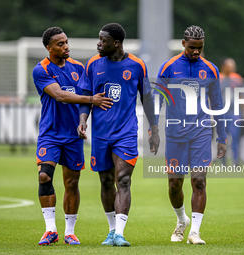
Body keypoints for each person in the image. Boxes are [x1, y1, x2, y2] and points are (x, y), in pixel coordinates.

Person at [77, 23, 160, 247]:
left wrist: (154, 129)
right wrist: (83, 120)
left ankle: (120, 233)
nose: (98, 44)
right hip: (101, 135)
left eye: (102, 40)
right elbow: (86, 95)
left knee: (123, 180)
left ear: (116, 43)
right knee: (106, 181)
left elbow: (148, 98)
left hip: (126, 133)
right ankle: (111, 231)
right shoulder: (93, 64)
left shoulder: (136, 65)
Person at [32, 26, 113, 246]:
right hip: (50, 133)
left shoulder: (79, 67)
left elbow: (87, 95)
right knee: (44, 176)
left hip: (74, 135)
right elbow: (59, 95)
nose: (66, 46)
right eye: (60, 44)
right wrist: (91, 101)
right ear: (49, 48)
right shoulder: (41, 70)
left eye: (66, 42)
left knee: (72, 182)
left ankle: (69, 231)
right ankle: (50, 230)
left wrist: (82, 122)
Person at [154, 25, 227, 245]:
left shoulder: (211, 69)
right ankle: (181, 221)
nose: (196, 52)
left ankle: (195, 232)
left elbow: (217, 104)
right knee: (175, 184)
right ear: (183, 43)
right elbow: (156, 100)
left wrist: (221, 138)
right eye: (193, 48)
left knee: (199, 182)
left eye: (200, 48)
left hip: (201, 133)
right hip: (175, 133)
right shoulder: (168, 67)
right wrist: (153, 130)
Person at [219, 58, 243, 165]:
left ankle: (235, 160)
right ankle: (223, 161)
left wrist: (243, 110)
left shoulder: (237, 78)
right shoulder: (218, 78)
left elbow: (241, 95)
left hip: (234, 111)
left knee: (235, 136)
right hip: (222, 112)